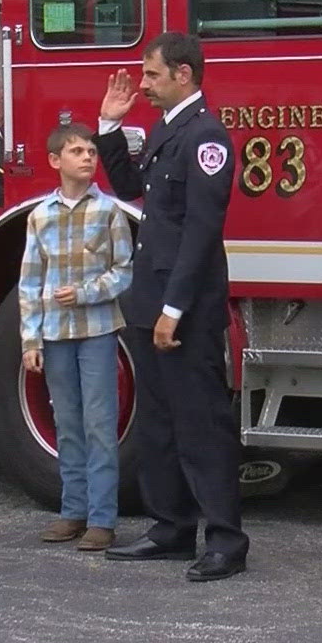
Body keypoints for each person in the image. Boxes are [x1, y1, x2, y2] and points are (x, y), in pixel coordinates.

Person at [93, 32, 248, 582]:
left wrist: (174, 309)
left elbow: (202, 231)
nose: (142, 84)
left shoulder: (207, 137)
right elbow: (134, 187)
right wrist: (110, 126)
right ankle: (170, 527)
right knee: (158, 421)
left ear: (184, 74)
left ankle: (226, 539)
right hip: (150, 294)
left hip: (183, 304)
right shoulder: (169, 128)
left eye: (152, 74)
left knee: (200, 423)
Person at [18, 123, 135, 552]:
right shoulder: (40, 216)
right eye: (77, 151)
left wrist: (86, 294)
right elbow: (30, 282)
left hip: (98, 331)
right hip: (54, 334)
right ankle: (72, 512)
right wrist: (30, 341)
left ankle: (102, 519)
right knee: (67, 423)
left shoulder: (109, 212)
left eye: (91, 151)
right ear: (55, 161)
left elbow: (124, 270)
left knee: (101, 424)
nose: (87, 157)